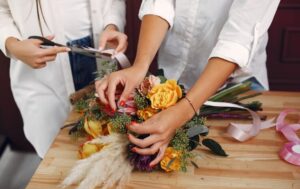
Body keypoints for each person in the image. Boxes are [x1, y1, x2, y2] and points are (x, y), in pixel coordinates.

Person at [95, 0, 280, 167]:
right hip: (173, 76)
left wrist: (186, 109)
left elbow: (238, 38)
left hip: (237, 86)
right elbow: (160, 3)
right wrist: (140, 66)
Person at [0, 0, 127, 158]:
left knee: (107, 151)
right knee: (56, 158)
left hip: (98, 54)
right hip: (43, 72)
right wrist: (12, 45)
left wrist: (112, 25)